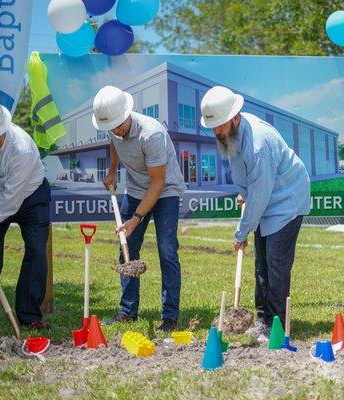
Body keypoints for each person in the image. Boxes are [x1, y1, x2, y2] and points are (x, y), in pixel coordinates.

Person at [200, 86, 310, 339]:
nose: (216, 131)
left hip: (286, 200)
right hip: (266, 194)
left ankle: (278, 325)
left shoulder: (259, 144)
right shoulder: (234, 132)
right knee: (261, 263)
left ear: (235, 118)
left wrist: (242, 232)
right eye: (213, 126)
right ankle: (262, 319)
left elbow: (260, 194)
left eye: (220, 125)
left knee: (276, 263)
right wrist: (246, 193)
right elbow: (248, 176)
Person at [92, 86, 186, 333]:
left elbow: (157, 183)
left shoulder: (151, 134)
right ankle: (127, 311)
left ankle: (170, 316)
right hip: (135, 191)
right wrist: (112, 171)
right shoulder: (113, 128)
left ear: (127, 113)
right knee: (127, 249)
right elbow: (115, 143)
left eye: (118, 125)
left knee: (167, 249)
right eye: (110, 127)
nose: (115, 130)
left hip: (164, 191)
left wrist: (136, 218)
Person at [0, 95, 50, 330]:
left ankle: (29, 315)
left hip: (30, 197)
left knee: (36, 251)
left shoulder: (21, 148)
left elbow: (9, 203)